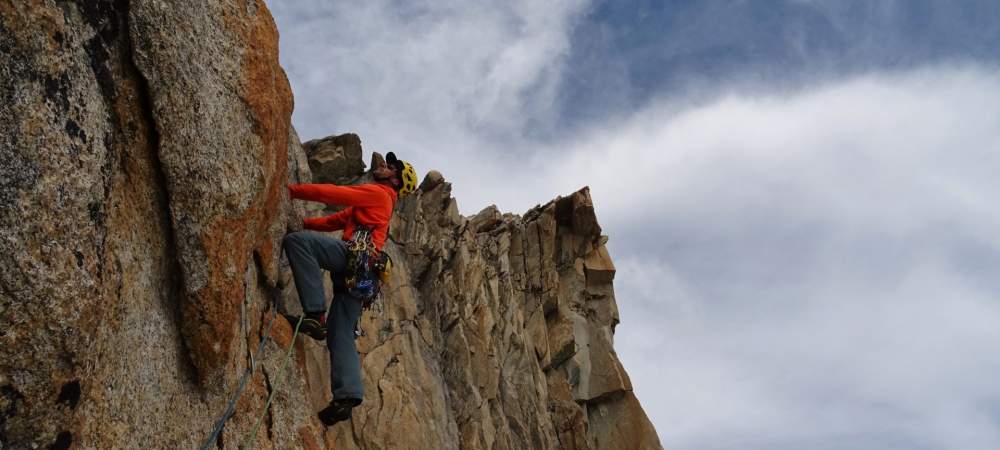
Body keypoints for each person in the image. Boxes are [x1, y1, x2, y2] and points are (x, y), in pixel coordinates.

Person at [282, 151, 418, 426]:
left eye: (389, 167)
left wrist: (290, 192)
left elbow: (334, 194)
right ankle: (346, 398)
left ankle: (315, 314)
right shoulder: (374, 206)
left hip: (353, 260)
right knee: (341, 332)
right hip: (365, 278)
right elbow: (334, 221)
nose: (382, 166)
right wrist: (304, 222)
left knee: (299, 243)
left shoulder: (379, 195)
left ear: (394, 180)